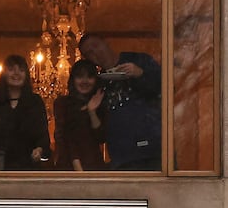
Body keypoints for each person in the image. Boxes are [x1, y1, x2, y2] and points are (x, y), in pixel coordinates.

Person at [77, 33, 161, 170]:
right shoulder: (99, 83)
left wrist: (140, 73)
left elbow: (166, 88)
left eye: (96, 46)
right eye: (89, 53)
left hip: (153, 153)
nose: (96, 53)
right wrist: (91, 112)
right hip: (121, 158)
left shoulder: (137, 60)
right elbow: (100, 133)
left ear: (107, 42)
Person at [0, 54, 50, 170]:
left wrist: (39, 149)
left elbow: (43, 136)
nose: (16, 73)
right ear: (4, 75)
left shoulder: (35, 102)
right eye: (11, 69)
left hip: (28, 168)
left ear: (26, 75)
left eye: (21, 70)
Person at [52, 60, 107, 171]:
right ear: (73, 80)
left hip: (94, 165)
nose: (85, 81)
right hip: (68, 166)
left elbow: (101, 137)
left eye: (89, 77)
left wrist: (92, 112)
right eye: (80, 76)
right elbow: (63, 137)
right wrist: (77, 167)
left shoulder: (99, 102)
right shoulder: (62, 103)